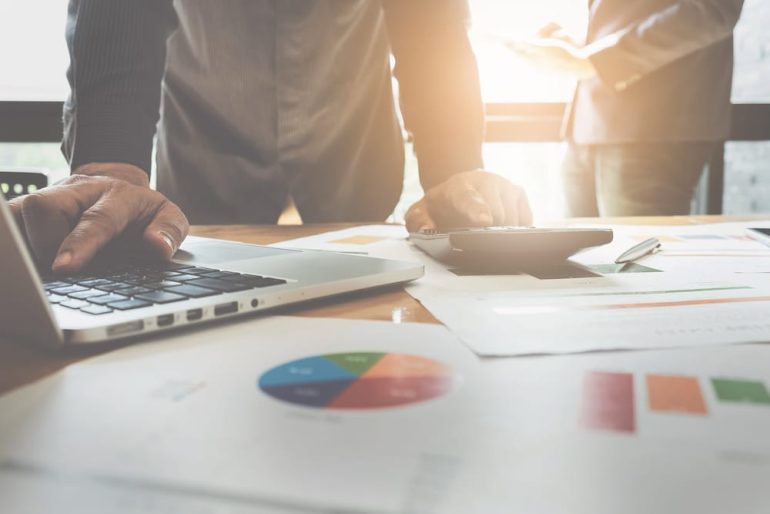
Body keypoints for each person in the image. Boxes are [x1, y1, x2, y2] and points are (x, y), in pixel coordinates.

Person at [8, 0, 532, 274]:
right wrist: (111, 165)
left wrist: (454, 164)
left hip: (348, 137)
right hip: (205, 138)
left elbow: (431, 22)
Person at [514, 0, 744, 217]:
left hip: (654, 130)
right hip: (588, 124)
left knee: (637, 254)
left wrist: (598, 60)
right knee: (573, 254)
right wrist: (581, 47)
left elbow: (714, 9)